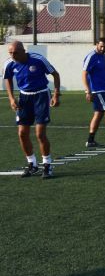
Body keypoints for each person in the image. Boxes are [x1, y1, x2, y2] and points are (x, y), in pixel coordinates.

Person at [3, 41, 60, 178]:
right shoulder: (9, 63)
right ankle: (32, 164)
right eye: (10, 53)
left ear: (23, 51)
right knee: (22, 133)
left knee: (40, 134)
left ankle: (47, 165)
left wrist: (56, 94)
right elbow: (7, 79)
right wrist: (11, 98)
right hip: (24, 98)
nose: (13, 55)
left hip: (41, 96)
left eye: (15, 53)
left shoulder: (38, 59)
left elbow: (55, 74)